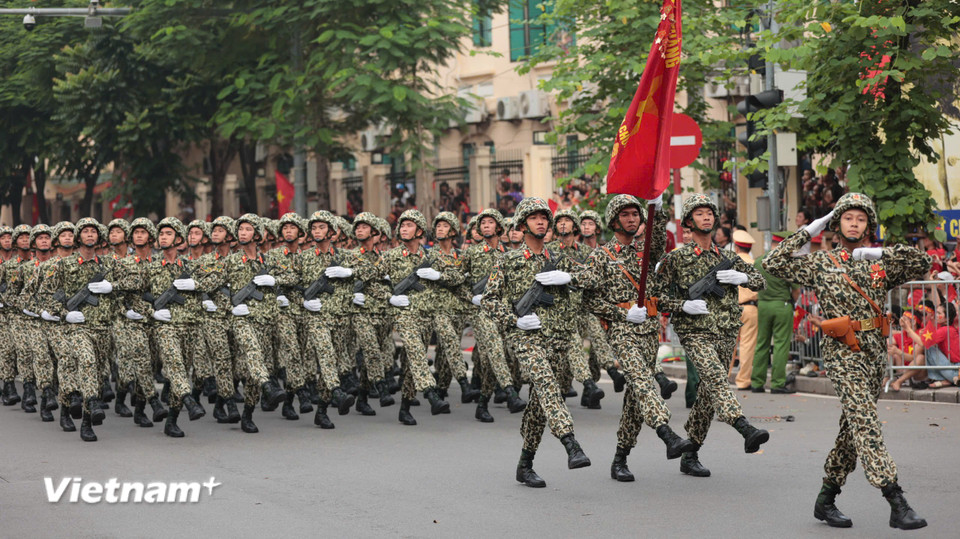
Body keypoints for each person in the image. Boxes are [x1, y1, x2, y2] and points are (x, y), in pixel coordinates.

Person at [763, 192, 930, 530]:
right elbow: (773, 262)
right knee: (865, 421)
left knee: (852, 429)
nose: (854, 224)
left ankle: (826, 499)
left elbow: (922, 262)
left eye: (861, 219)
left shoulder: (878, 262)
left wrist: (880, 252)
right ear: (836, 224)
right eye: (848, 218)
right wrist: (809, 230)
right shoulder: (822, 262)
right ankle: (895, 499)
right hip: (842, 351)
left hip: (874, 353)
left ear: (868, 226)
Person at [650, 194, 770, 478]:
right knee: (716, 379)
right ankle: (744, 427)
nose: (706, 217)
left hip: (726, 331)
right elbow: (656, 297)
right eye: (699, 213)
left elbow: (761, 281)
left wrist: (743, 278)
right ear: (689, 222)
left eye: (709, 213)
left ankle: (690, 453)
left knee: (707, 396)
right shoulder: (676, 259)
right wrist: (683, 305)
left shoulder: (727, 257)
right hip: (696, 333)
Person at [579, 194, 695, 482]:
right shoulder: (601, 257)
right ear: (614, 220)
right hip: (622, 332)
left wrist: (659, 197)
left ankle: (620, 457)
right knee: (643, 382)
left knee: (635, 399)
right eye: (626, 214)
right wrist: (621, 314)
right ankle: (667, 434)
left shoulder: (645, 253)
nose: (632, 219)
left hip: (648, 332)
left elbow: (657, 232)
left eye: (636, 214)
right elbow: (589, 301)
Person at [482, 197, 590, 488]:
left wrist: (569, 275)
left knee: (540, 406)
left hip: (557, 338)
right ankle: (571, 443)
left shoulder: (558, 257)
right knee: (546, 383)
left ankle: (525, 463)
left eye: (544, 217)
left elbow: (590, 276)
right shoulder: (506, 261)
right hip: (526, 337)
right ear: (521, 224)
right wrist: (513, 319)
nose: (541, 222)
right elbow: (489, 301)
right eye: (534, 218)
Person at [751, 231, 800, 394]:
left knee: (762, 343)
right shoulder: (785, 263)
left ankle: (757, 382)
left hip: (763, 305)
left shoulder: (759, 261)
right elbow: (796, 290)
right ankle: (777, 383)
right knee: (780, 344)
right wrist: (792, 302)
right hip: (781, 305)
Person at [730, 229, 758, 390]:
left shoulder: (731, 263)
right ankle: (743, 380)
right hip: (751, 308)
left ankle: (721, 378)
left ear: (737, 247)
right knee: (747, 346)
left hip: (732, 309)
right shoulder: (754, 264)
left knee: (728, 345)